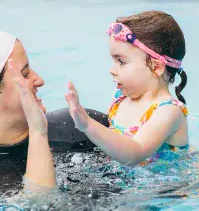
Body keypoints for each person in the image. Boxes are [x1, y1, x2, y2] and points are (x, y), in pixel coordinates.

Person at [0, 30, 109, 197]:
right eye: (25, 74)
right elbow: (41, 204)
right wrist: (38, 132)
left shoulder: (81, 126)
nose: (39, 80)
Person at [65, 11, 189, 167]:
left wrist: (87, 125)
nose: (112, 69)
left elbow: (135, 154)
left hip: (168, 189)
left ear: (156, 67)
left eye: (121, 62)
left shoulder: (169, 111)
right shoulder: (120, 98)